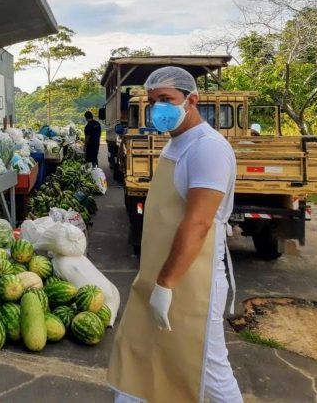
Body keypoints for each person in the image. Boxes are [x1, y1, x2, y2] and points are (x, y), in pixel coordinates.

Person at [108, 66, 242, 403]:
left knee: (206, 365)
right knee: (144, 351)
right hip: (160, 274)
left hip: (191, 279)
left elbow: (197, 224)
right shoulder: (177, 144)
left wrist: (166, 285)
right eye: (154, 102)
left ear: (192, 100)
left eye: (167, 100)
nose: (159, 109)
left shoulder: (207, 149)